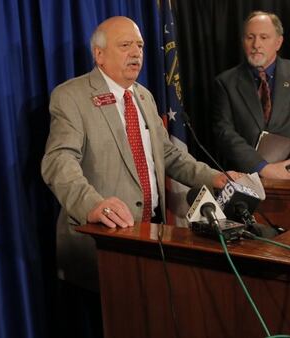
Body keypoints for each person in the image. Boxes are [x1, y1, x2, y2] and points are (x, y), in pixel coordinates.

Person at [41, 16, 237, 338]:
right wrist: (93, 204)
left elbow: (170, 155)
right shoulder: (72, 96)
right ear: (99, 54)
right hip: (102, 246)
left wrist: (215, 178)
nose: (136, 53)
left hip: (151, 238)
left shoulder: (144, 96)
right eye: (125, 45)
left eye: (140, 46)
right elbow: (58, 160)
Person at [212, 11, 290, 180]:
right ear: (243, 42)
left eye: (264, 37)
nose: (256, 44)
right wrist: (263, 167)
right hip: (248, 179)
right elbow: (224, 132)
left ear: (278, 42)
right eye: (250, 37)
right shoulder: (226, 83)